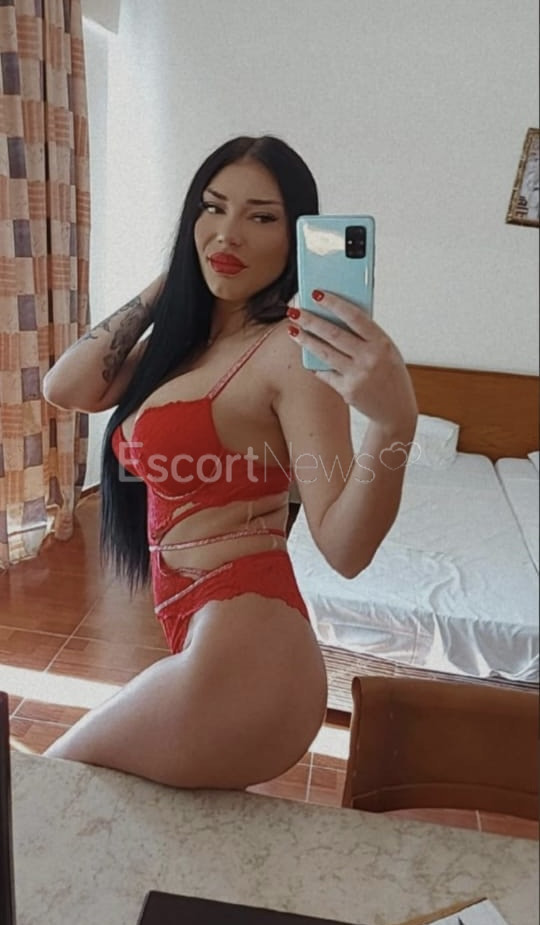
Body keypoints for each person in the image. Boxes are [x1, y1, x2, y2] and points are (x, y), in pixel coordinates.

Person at [43, 135, 417, 789]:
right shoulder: (189, 344)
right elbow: (65, 386)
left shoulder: (288, 350)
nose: (229, 233)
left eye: (261, 216)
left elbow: (345, 546)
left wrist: (394, 424)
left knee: (50, 790)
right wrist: (173, 281)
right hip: (201, 630)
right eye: (213, 209)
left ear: (297, 237)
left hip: (252, 650)